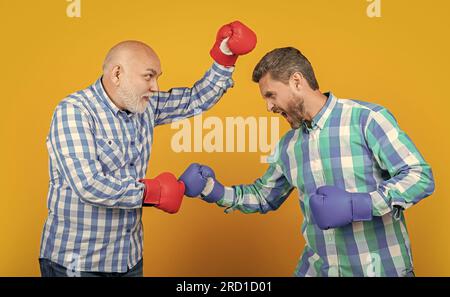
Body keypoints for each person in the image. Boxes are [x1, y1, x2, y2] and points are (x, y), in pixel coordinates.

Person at [179, 47, 435, 277]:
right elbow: (263, 196)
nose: (269, 107)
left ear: (297, 81)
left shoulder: (366, 119)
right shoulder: (288, 145)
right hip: (318, 269)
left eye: (271, 95)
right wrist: (212, 190)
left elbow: (419, 176)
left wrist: (359, 204)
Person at [39, 21, 257, 277]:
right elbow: (88, 185)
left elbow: (195, 100)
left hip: (128, 258)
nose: (155, 86)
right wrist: (153, 192)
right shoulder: (75, 111)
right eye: (148, 76)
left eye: (157, 77)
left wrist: (225, 57)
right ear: (117, 74)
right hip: (76, 264)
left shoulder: (144, 106)